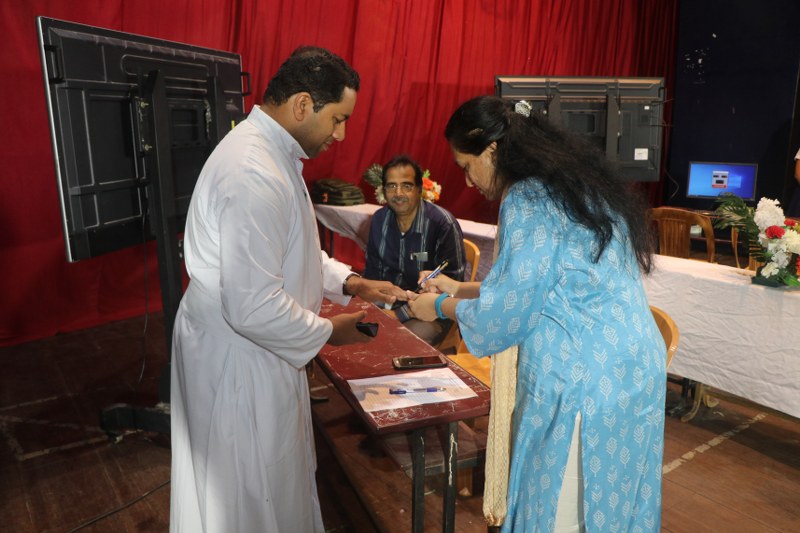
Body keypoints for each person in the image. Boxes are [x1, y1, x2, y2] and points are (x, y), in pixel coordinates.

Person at [169, 46, 407, 533]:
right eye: (337, 119)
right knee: (247, 494)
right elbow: (252, 305)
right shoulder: (253, 170)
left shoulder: (272, 153)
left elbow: (292, 251)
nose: (340, 135)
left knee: (271, 483)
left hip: (258, 348)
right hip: (240, 357)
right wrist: (329, 332)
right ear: (302, 105)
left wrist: (352, 282)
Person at [408, 96, 666, 532]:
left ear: (492, 149)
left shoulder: (528, 198)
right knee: (617, 501)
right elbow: (548, 286)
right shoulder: (575, 185)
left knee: (564, 510)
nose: (468, 181)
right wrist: (458, 288)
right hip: (633, 372)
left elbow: (504, 314)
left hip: (585, 381)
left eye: (467, 166)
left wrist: (434, 305)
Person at [363, 154, 466, 345]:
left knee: (401, 342)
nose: (398, 193)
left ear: (419, 189)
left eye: (407, 186)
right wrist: (377, 309)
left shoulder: (442, 224)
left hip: (432, 312)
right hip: (387, 305)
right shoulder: (379, 220)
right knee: (353, 330)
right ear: (384, 190)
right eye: (391, 186)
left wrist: (398, 314)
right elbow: (372, 274)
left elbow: (452, 287)